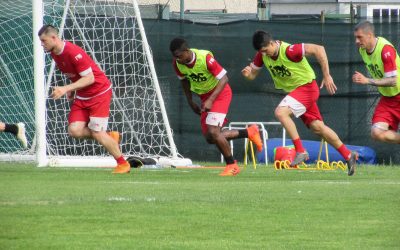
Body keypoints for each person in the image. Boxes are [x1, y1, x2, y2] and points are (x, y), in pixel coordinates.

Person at [242, 30, 358, 176]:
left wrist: (327, 75)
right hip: (297, 93)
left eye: (266, 50)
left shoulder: (290, 51)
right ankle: (348, 155)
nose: (265, 54)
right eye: (262, 52)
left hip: (307, 88)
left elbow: (319, 49)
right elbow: (253, 75)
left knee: (280, 112)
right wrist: (248, 75)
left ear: (272, 43)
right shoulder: (262, 54)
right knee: (318, 128)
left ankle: (300, 150)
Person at [38, 25, 130, 174]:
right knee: (74, 131)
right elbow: (75, 74)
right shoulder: (54, 53)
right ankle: (109, 137)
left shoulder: (73, 52)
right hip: (82, 94)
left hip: (99, 92)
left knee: (96, 132)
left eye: (44, 40)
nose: (42, 44)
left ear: (54, 38)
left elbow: (90, 78)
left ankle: (123, 164)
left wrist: (66, 88)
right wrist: (73, 90)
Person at [169, 38, 263, 176]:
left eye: (179, 56)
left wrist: (211, 100)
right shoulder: (177, 64)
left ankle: (232, 165)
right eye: (174, 56)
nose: (177, 59)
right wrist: (190, 101)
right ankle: (249, 132)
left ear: (187, 51)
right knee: (210, 137)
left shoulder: (204, 58)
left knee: (214, 131)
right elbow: (184, 82)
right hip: (204, 97)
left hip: (220, 94)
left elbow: (224, 78)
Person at [352, 21, 400, 144]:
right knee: (376, 133)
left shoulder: (385, 50)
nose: (357, 41)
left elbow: (393, 81)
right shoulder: (362, 50)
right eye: (355, 37)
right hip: (388, 99)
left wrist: (367, 80)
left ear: (369, 35)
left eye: (359, 37)